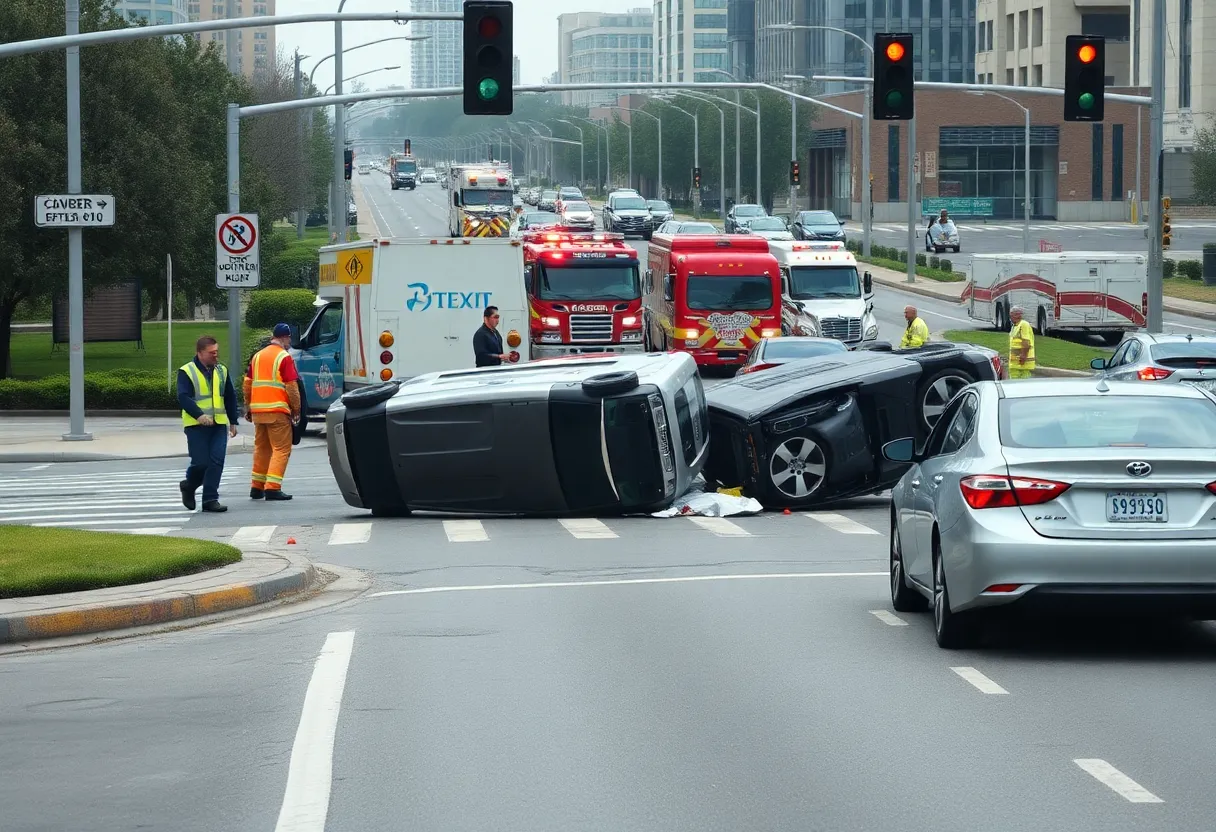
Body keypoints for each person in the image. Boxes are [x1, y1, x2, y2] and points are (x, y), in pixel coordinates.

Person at [178, 335, 239, 513]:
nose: (215, 356)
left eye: (217, 352)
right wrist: (199, 415)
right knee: (201, 462)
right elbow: (183, 397)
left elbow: (230, 396)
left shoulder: (221, 370)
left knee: (217, 461)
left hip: (218, 424)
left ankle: (210, 499)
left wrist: (233, 421)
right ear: (199, 353)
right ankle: (189, 486)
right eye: (211, 353)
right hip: (196, 425)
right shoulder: (187, 371)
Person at [244, 324, 302, 501]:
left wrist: (248, 406)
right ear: (284, 338)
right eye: (289, 338)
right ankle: (272, 488)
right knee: (281, 449)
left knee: (262, 448)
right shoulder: (284, 357)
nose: (290, 342)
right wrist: (296, 409)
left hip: (259, 411)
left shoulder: (258, 356)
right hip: (277, 410)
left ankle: (257, 486)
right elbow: (291, 387)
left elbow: (247, 383)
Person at [1008, 305, 1036, 379]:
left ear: (1016, 315)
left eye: (1011, 315)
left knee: (1022, 384)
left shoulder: (1023, 324)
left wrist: (1023, 356)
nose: (1010, 317)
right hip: (1016, 363)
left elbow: (1026, 342)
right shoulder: (1015, 325)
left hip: (1022, 363)